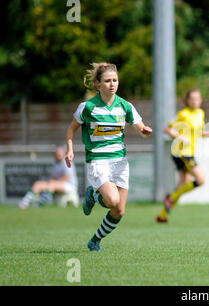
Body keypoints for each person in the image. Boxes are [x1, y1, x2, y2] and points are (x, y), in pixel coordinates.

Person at [65, 62, 152, 252]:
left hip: (120, 162)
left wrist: (144, 131)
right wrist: (70, 149)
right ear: (98, 84)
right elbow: (71, 129)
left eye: (115, 80)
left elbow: (140, 127)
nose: (112, 84)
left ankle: (95, 240)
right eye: (107, 81)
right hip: (98, 161)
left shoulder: (125, 106)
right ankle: (93, 196)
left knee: (119, 210)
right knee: (112, 200)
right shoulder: (87, 107)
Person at [156, 88, 209, 223]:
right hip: (182, 152)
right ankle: (171, 197)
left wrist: (208, 134)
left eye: (197, 98)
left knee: (183, 184)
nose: (195, 101)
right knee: (200, 180)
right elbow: (167, 129)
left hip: (189, 153)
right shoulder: (183, 114)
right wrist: (180, 137)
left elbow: (197, 132)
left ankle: (162, 216)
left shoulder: (200, 113)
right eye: (192, 99)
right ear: (187, 100)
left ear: (201, 100)